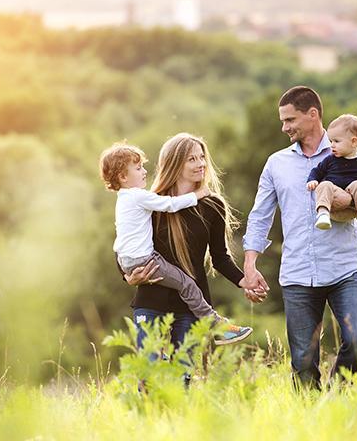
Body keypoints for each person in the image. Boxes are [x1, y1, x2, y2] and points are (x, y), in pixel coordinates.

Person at [242, 86, 357, 388]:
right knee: (302, 361)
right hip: (298, 272)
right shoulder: (277, 163)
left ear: (313, 115)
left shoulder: (351, 153)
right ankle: (311, 422)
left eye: (290, 120)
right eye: (282, 121)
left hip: (345, 268)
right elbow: (260, 215)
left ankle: (335, 399)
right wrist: (250, 264)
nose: (284, 127)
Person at [108, 134, 255, 349]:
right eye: (192, 159)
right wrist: (128, 276)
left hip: (191, 307)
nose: (201, 164)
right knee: (150, 375)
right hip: (152, 301)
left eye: (202, 157)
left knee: (183, 377)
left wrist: (245, 281)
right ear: (175, 163)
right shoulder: (153, 202)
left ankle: (218, 327)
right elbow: (125, 241)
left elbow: (220, 257)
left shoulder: (212, 205)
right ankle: (218, 325)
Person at [306, 114, 357, 230]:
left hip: (353, 207)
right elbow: (317, 171)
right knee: (325, 185)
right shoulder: (330, 160)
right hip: (335, 200)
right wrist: (312, 180)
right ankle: (323, 213)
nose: (331, 145)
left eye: (336, 141)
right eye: (330, 141)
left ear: (354, 142)